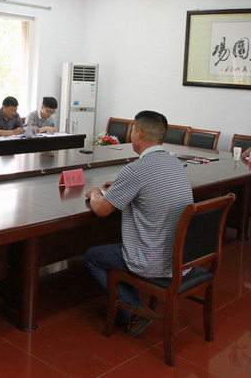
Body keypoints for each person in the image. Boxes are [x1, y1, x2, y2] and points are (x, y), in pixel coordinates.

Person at [84, 110, 194, 336]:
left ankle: (132, 309)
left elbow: (102, 210)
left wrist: (95, 192)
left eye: (133, 130)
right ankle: (125, 303)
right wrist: (121, 185)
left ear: (139, 134)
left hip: (153, 260)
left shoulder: (136, 169)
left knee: (93, 257)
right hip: (182, 257)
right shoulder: (175, 164)